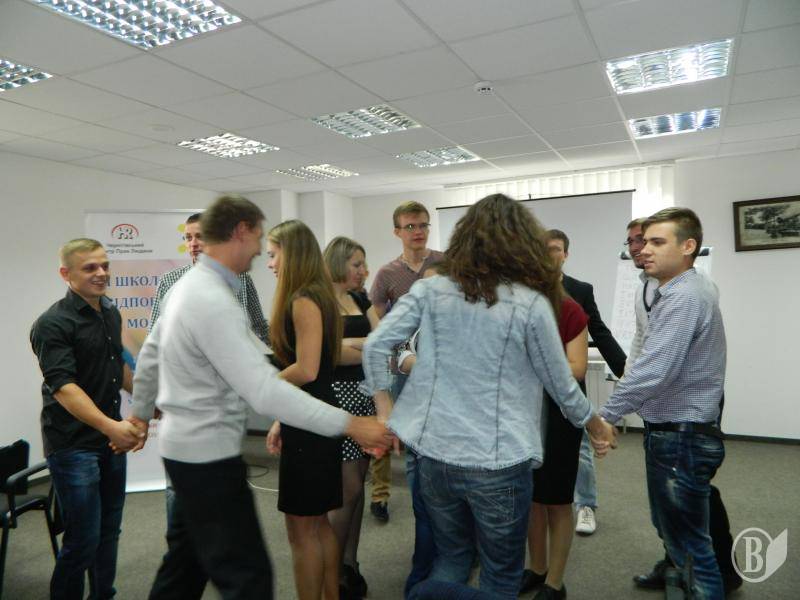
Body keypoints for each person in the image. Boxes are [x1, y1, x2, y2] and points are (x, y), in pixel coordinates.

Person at [128, 198, 391, 600]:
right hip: (207, 457)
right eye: (259, 242)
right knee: (247, 578)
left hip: (189, 452)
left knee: (183, 569)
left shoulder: (189, 287)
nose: (261, 255)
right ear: (241, 232)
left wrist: (140, 413)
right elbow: (264, 389)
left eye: (271, 251)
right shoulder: (212, 298)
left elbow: (150, 354)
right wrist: (351, 423)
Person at [361, 193, 616, 599]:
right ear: (521, 244)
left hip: (435, 457)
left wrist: (385, 411)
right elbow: (560, 382)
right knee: (500, 573)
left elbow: (377, 346)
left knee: (452, 557)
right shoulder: (529, 304)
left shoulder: (431, 291)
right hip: (499, 462)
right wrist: (595, 423)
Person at [599, 207, 727, 600]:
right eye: (641, 242)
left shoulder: (684, 296)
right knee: (675, 529)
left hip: (682, 434)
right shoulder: (676, 288)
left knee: (692, 546)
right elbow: (646, 351)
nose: (644, 250)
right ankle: (676, 574)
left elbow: (655, 369)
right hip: (676, 429)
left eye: (657, 242)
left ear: (688, 247)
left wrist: (606, 416)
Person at [30, 238, 143, 600]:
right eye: (90, 267)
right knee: (82, 540)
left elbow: (116, 365)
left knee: (108, 532)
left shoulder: (109, 312)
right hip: (73, 445)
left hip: (109, 440)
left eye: (105, 265)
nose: (102, 273)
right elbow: (64, 388)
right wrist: (112, 427)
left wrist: (146, 400)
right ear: (66, 274)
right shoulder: (52, 323)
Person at [264, 220, 345, 600]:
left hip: (311, 423)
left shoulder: (303, 299)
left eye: (273, 255)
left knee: (301, 531)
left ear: (291, 254)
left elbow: (307, 369)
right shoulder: (318, 295)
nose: (270, 263)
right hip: (310, 415)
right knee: (318, 523)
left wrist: (263, 384)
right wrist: (281, 417)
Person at [539, 229, 627, 539]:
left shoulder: (580, 290)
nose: (550, 254)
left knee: (580, 449)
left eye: (556, 249)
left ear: (566, 254)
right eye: (544, 248)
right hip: (534, 388)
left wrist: (625, 370)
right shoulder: (526, 290)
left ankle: (586, 505)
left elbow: (599, 332)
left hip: (570, 380)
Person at [367, 201, 445, 523]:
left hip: (442, 365)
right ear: (397, 232)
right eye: (410, 226)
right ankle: (390, 497)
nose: (418, 231)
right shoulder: (387, 274)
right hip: (403, 367)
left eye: (423, 225)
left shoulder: (445, 263)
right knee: (401, 432)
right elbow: (375, 315)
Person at [525, 258, 590, 599]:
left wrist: (537, 360)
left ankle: (554, 581)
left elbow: (577, 369)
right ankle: (536, 568)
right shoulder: (518, 309)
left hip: (561, 415)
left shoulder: (569, 310)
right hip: (525, 413)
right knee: (532, 499)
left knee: (557, 500)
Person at [323, 237, 380, 600]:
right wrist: (364, 348)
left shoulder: (360, 299)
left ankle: (349, 564)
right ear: (339, 263)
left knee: (357, 488)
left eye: (364, 264)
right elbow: (326, 354)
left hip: (366, 398)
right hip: (337, 400)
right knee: (349, 490)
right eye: (357, 265)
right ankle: (331, 572)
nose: (364, 271)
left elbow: (383, 342)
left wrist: (353, 347)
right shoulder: (319, 301)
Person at [149, 212, 269, 343]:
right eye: (188, 238)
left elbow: (259, 326)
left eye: (200, 237)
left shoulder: (240, 277)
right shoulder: (170, 280)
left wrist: (281, 351)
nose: (193, 244)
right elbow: (155, 334)